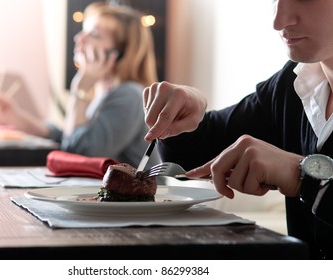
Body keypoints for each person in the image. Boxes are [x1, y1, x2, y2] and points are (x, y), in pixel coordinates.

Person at [143, 0, 333, 259]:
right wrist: (188, 109)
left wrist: (303, 175)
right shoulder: (293, 83)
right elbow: (196, 159)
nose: (279, 21)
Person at [0, 2, 160, 167]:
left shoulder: (129, 95)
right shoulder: (107, 93)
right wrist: (17, 117)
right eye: (83, 31)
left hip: (139, 197)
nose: (79, 38)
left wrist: (81, 88)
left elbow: (78, 153)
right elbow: (71, 136)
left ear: (120, 53)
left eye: (94, 35)